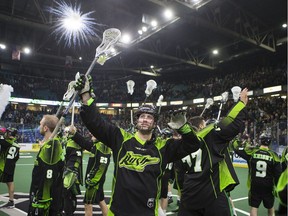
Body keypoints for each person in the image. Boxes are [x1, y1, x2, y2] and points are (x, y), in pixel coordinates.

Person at [73, 74, 201, 216]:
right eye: (142, 116)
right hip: (117, 212)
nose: (145, 120)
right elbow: (95, 122)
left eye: (149, 117)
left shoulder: (163, 147)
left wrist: (183, 127)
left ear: (155, 123)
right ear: (137, 120)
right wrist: (85, 95)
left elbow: (193, 145)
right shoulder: (120, 138)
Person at [178, 88, 249, 216]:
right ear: (200, 127)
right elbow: (230, 122)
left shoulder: (181, 144)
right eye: (204, 124)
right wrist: (241, 103)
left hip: (188, 196)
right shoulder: (209, 136)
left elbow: (179, 177)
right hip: (211, 194)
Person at [233, 132, 282, 216]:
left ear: (260, 141)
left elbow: (236, 149)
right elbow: (278, 174)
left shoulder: (252, 153)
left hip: (255, 184)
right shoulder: (274, 156)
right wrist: (278, 188)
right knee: (270, 207)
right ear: (269, 142)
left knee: (254, 207)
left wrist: (239, 141)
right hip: (268, 186)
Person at [28, 115, 65, 216]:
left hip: (44, 201)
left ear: (45, 128)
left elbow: (48, 177)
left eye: (40, 124)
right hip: (44, 197)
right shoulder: (51, 145)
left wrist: (41, 201)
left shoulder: (52, 146)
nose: (39, 126)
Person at [69, 128, 112, 216]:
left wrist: (92, 180)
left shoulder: (101, 147)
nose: (90, 133)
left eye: (93, 133)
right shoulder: (99, 145)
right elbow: (86, 144)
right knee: (101, 201)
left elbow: (101, 166)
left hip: (94, 182)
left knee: (88, 205)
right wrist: (75, 134)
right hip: (97, 181)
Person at [62, 127, 83, 216]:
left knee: (67, 195)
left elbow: (72, 161)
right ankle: (70, 212)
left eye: (66, 132)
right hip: (72, 173)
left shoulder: (72, 144)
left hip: (70, 174)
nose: (65, 134)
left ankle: (69, 213)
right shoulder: (70, 142)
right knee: (71, 195)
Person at [0, 127, 20, 209]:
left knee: (9, 183)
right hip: (11, 166)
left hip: (2, 166)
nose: (6, 134)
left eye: (8, 133)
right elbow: (17, 157)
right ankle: (11, 201)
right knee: (10, 183)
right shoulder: (16, 144)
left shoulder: (5, 142)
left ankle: (11, 202)